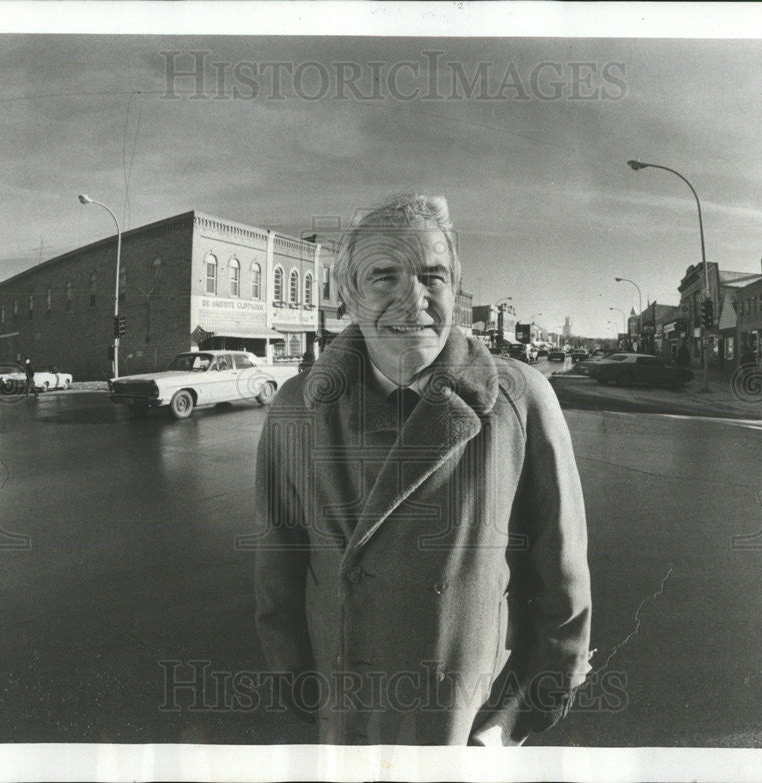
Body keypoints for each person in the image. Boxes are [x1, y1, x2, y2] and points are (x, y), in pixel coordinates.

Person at [253, 194, 591, 746]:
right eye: (385, 276)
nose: (414, 300)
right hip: (346, 727)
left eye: (433, 276)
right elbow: (279, 572)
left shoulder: (520, 402)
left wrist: (509, 726)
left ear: (454, 290)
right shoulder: (296, 409)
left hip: (464, 732)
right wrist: (302, 692)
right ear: (349, 297)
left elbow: (562, 589)